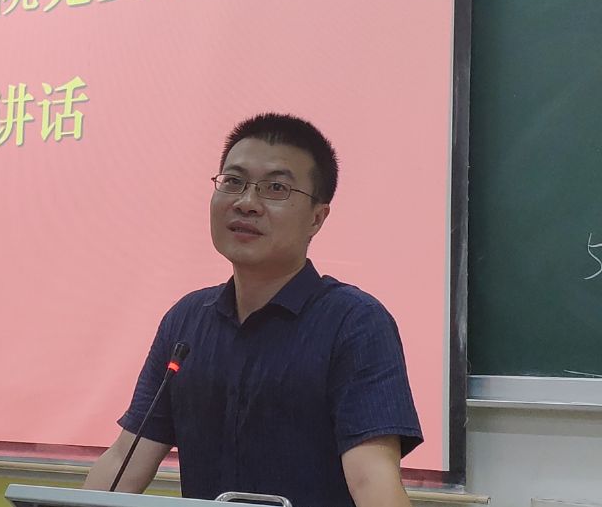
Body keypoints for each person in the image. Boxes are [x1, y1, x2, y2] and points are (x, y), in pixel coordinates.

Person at [83, 113, 422, 507]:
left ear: (316, 218)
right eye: (233, 182)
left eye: (276, 188)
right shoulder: (186, 321)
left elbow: (371, 482)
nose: (246, 203)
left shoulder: (354, 322)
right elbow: (124, 462)